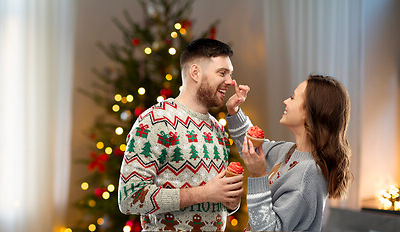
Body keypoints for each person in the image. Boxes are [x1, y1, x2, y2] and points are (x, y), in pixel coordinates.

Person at [118, 38, 244, 231]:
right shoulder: (156, 120)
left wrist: (230, 200)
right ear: (195, 72)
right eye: (222, 73)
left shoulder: (218, 129)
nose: (230, 81)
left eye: (230, 74)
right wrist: (203, 193)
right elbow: (129, 197)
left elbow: (218, 204)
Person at [225, 75, 353, 231]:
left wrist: (259, 175)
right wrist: (234, 111)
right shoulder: (289, 151)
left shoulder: (308, 174)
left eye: (293, 98)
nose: (286, 101)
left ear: (309, 112)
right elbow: (254, 147)